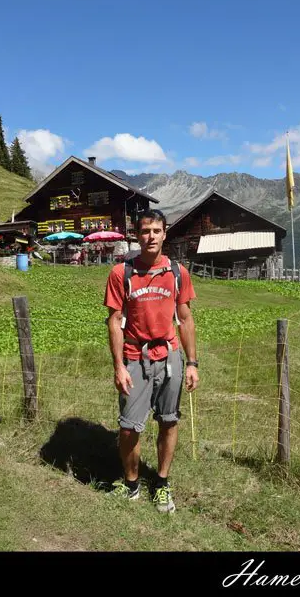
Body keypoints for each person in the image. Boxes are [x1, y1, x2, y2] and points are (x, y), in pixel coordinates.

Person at [103, 208, 199, 513]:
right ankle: (131, 484)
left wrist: (193, 363)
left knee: (169, 421)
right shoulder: (122, 273)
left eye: (156, 231)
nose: (150, 237)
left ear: (164, 234)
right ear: (137, 235)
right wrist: (118, 366)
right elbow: (114, 319)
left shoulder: (177, 273)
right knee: (129, 427)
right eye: (145, 231)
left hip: (169, 355)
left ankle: (161, 482)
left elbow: (185, 318)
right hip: (134, 356)